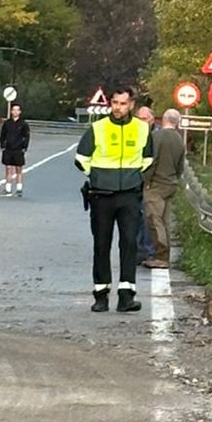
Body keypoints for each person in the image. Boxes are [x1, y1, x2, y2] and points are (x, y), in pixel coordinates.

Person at [75, 87, 152, 313]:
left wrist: (133, 177)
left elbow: (148, 158)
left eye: (123, 103)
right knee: (101, 245)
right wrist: (98, 177)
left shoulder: (142, 129)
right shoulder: (97, 128)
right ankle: (100, 295)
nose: (118, 108)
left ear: (132, 105)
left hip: (129, 194)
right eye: (115, 103)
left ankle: (126, 296)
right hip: (102, 195)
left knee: (129, 243)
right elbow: (81, 158)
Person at [142, 109, 187, 268]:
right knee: (165, 221)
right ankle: (165, 256)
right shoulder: (179, 140)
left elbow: (151, 161)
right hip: (171, 183)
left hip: (156, 184)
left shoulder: (157, 137)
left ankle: (160, 256)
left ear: (164, 120)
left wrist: (145, 181)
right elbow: (181, 165)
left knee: (154, 220)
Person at [135, 106, 158, 263]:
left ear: (151, 119)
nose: (141, 122)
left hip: (152, 183)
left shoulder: (158, 136)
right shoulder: (134, 134)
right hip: (134, 183)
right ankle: (137, 251)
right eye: (139, 119)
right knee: (135, 218)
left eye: (144, 119)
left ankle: (149, 251)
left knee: (148, 218)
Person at [0, 103, 29, 196]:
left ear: (20, 112)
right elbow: (2, 135)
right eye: (13, 110)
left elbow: (26, 136)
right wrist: (2, 145)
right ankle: (8, 189)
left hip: (19, 149)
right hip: (8, 149)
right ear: (11, 111)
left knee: (19, 169)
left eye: (17, 110)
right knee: (8, 169)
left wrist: (24, 147)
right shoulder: (7, 123)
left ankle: (19, 189)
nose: (15, 111)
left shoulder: (23, 124)